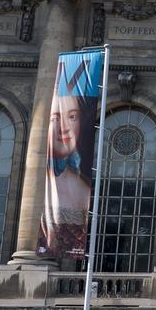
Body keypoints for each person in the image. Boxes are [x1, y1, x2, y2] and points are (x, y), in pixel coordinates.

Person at [38, 90, 96, 259]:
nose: (62, 128)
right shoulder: (41, 185)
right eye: (55, 118)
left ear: (81, 123)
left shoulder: (82, 189)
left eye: (72, 117)